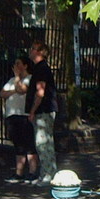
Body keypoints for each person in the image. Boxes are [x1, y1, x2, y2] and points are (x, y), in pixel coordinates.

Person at [25, 41, 57, 185]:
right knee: (42, 143)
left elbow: (40, 92)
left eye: (33, 48)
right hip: (44, 110)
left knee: (43, 143)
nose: (30, 50)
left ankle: (49, 174)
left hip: (43, 110)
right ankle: (45, 173)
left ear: (39, 52)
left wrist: (32, 111)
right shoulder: (40, 68)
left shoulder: (42, 69)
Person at [0, 55, 33, 182]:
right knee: (18, 145)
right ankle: (19, 173)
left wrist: (17, 79)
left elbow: (21, 89)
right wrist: (15, 90)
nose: (15, 66)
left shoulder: (29, 79)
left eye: (18, 63)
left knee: (29, 144)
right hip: (12, 115)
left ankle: (32, 172)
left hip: (24, 115)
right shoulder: (11, 80)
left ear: (25, 66)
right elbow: (2, 93)